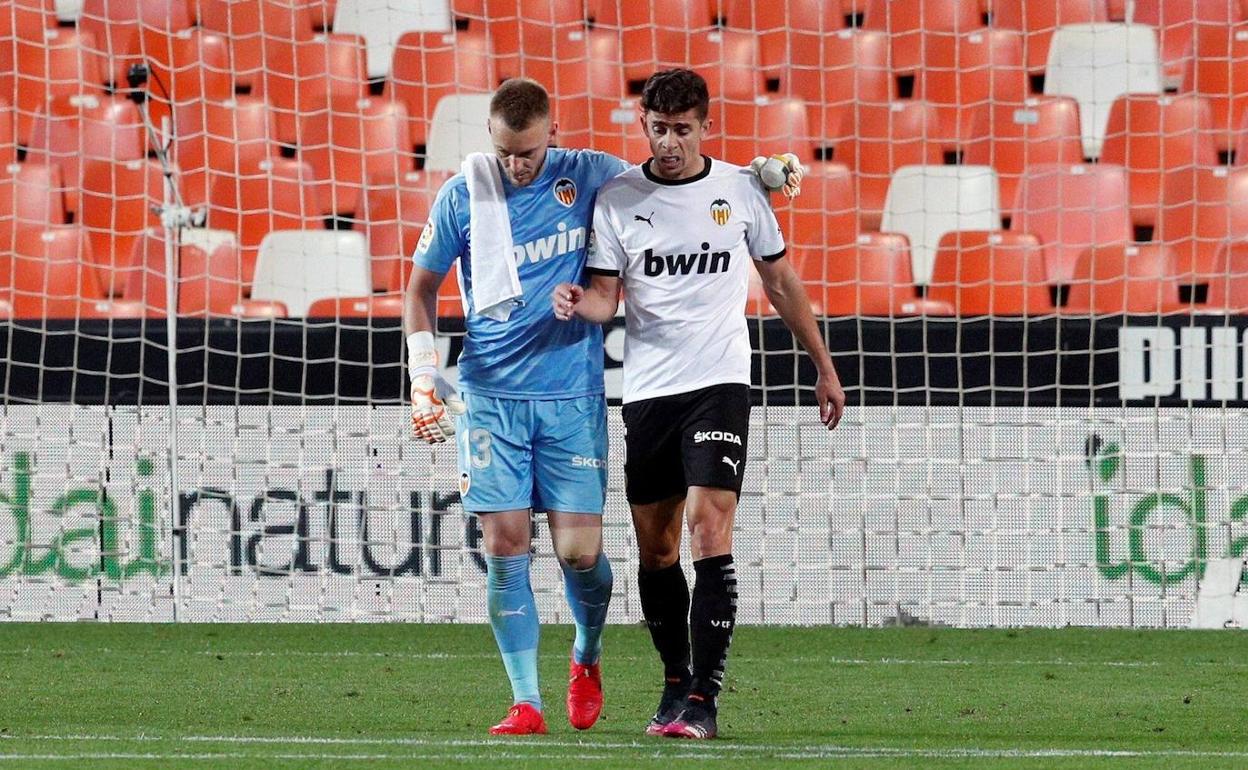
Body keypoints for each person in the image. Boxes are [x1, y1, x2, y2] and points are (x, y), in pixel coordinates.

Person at [405, 76, 805, 736]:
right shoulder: (465, 195)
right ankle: (525, 701)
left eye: (528, 152)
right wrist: (425, 376)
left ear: (553, 134)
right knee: (505, 546)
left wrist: (759, 172)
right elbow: (420, 289)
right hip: (490, 396)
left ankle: (586, 655)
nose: (516, 165)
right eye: (506, 152)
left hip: (569, 397)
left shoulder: (592, 177)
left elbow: (679, 177)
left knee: (581, 554)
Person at [551, 68, 845, 741]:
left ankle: (706, 702)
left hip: (719, 382)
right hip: (649, 389)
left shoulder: (740, 189)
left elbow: (779, 282)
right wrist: (579, 306)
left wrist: (822, 367)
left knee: (710, 529)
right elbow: (605, 294)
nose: (671, 142)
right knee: (656, 552)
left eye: (684, 129)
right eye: (659, 128)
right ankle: (675, 683)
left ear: (705, 127)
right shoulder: (619, 199)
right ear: (644, 125)